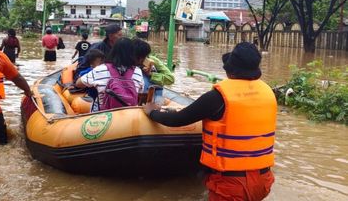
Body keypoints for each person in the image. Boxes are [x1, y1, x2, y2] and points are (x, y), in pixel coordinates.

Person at [144, 42, 276, 201]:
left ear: (230, 71)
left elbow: (178, 120)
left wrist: (152, 112)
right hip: (264, 180)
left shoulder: (217, 98)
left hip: (232, 184)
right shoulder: (267, 93)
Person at [76, 37, 144, 112]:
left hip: (103, 116)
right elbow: (140, 92)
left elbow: (78, 83)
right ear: (133, 53)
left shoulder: (100, 69)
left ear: (113, 51)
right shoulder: (138, 72)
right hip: (129, 116)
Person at [132, 39, 175, 104]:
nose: (142, 59)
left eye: (145, 56)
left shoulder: (153, 61)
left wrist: (151, 74)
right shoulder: (127, 64)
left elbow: (170, 79)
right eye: (140, 57)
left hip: (155, 100)